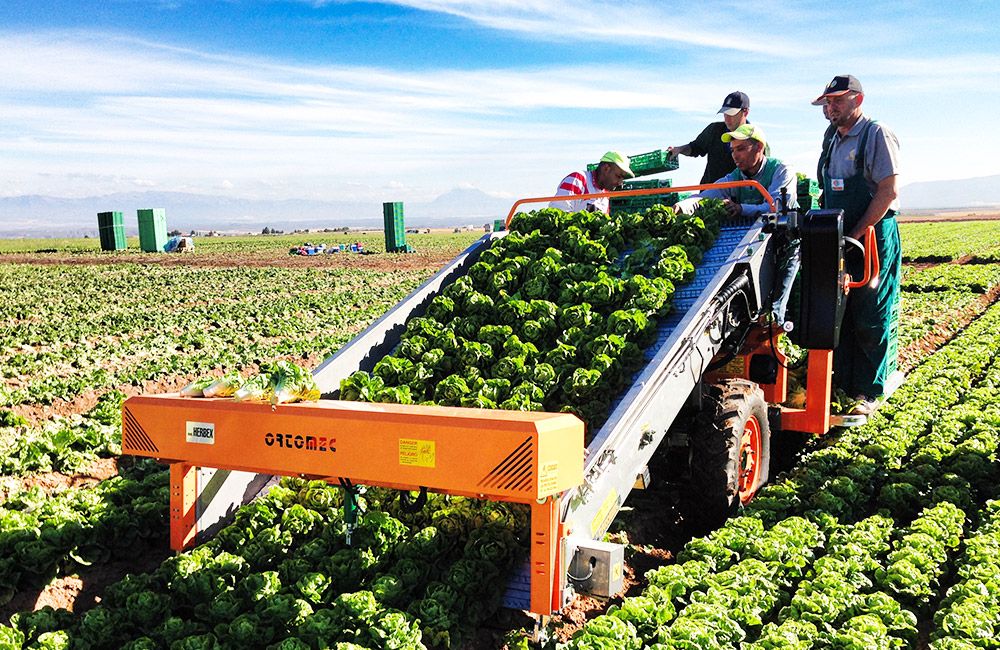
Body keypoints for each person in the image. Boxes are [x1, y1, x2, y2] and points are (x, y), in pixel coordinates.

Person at [813, 74, 901, 415]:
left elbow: (887, 191)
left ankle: (869, 391)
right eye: (827, 102)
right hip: (839, 234)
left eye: (837, 100)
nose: (830, 107)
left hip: (873, 234)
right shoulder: (831, 138)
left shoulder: (876, 134)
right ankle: (843, 384)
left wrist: (860, 232)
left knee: (870, 310)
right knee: (840, 311)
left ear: (857, 100)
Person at [674, 124, 799, 322]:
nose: (734, 155)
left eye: (740, 149)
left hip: (782, 245)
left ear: (758, 147)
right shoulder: (734, 178)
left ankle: (777, 325)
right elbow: (707, 195)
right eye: (732, 150)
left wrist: (741, 209)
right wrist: (684, 205)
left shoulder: (781, 171)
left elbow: (776, 206)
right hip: (749, 245)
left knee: (774, 310)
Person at [668, 91, 759, 184]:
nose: (727, 118)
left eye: (731, 114)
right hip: (708, 192)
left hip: (737, 195)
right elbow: (695, 147)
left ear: (746, 112)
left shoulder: (756, 139)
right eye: (725, 113)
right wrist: (679, 149)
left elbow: (761, 173)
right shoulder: (714, 130)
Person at [550, 151, 634, 214]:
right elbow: (558, 213)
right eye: (618, 176)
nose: (620, 183)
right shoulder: (578, 179)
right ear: (606, 168)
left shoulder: (605, 195)